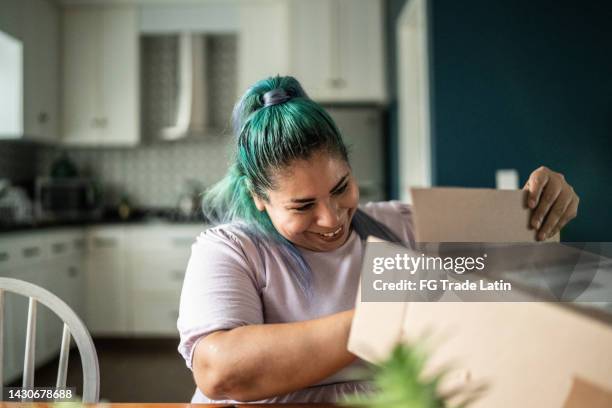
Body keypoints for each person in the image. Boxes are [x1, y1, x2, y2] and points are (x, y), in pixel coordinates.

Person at [177, 76, 579, 404]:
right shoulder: (229, 250)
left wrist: (545, 205)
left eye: (341, 188)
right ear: (258, 198)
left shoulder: (403, 226)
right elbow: (220, 371)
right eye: (302, 206)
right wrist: (394, 315)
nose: (331, 217)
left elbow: (536, 270)